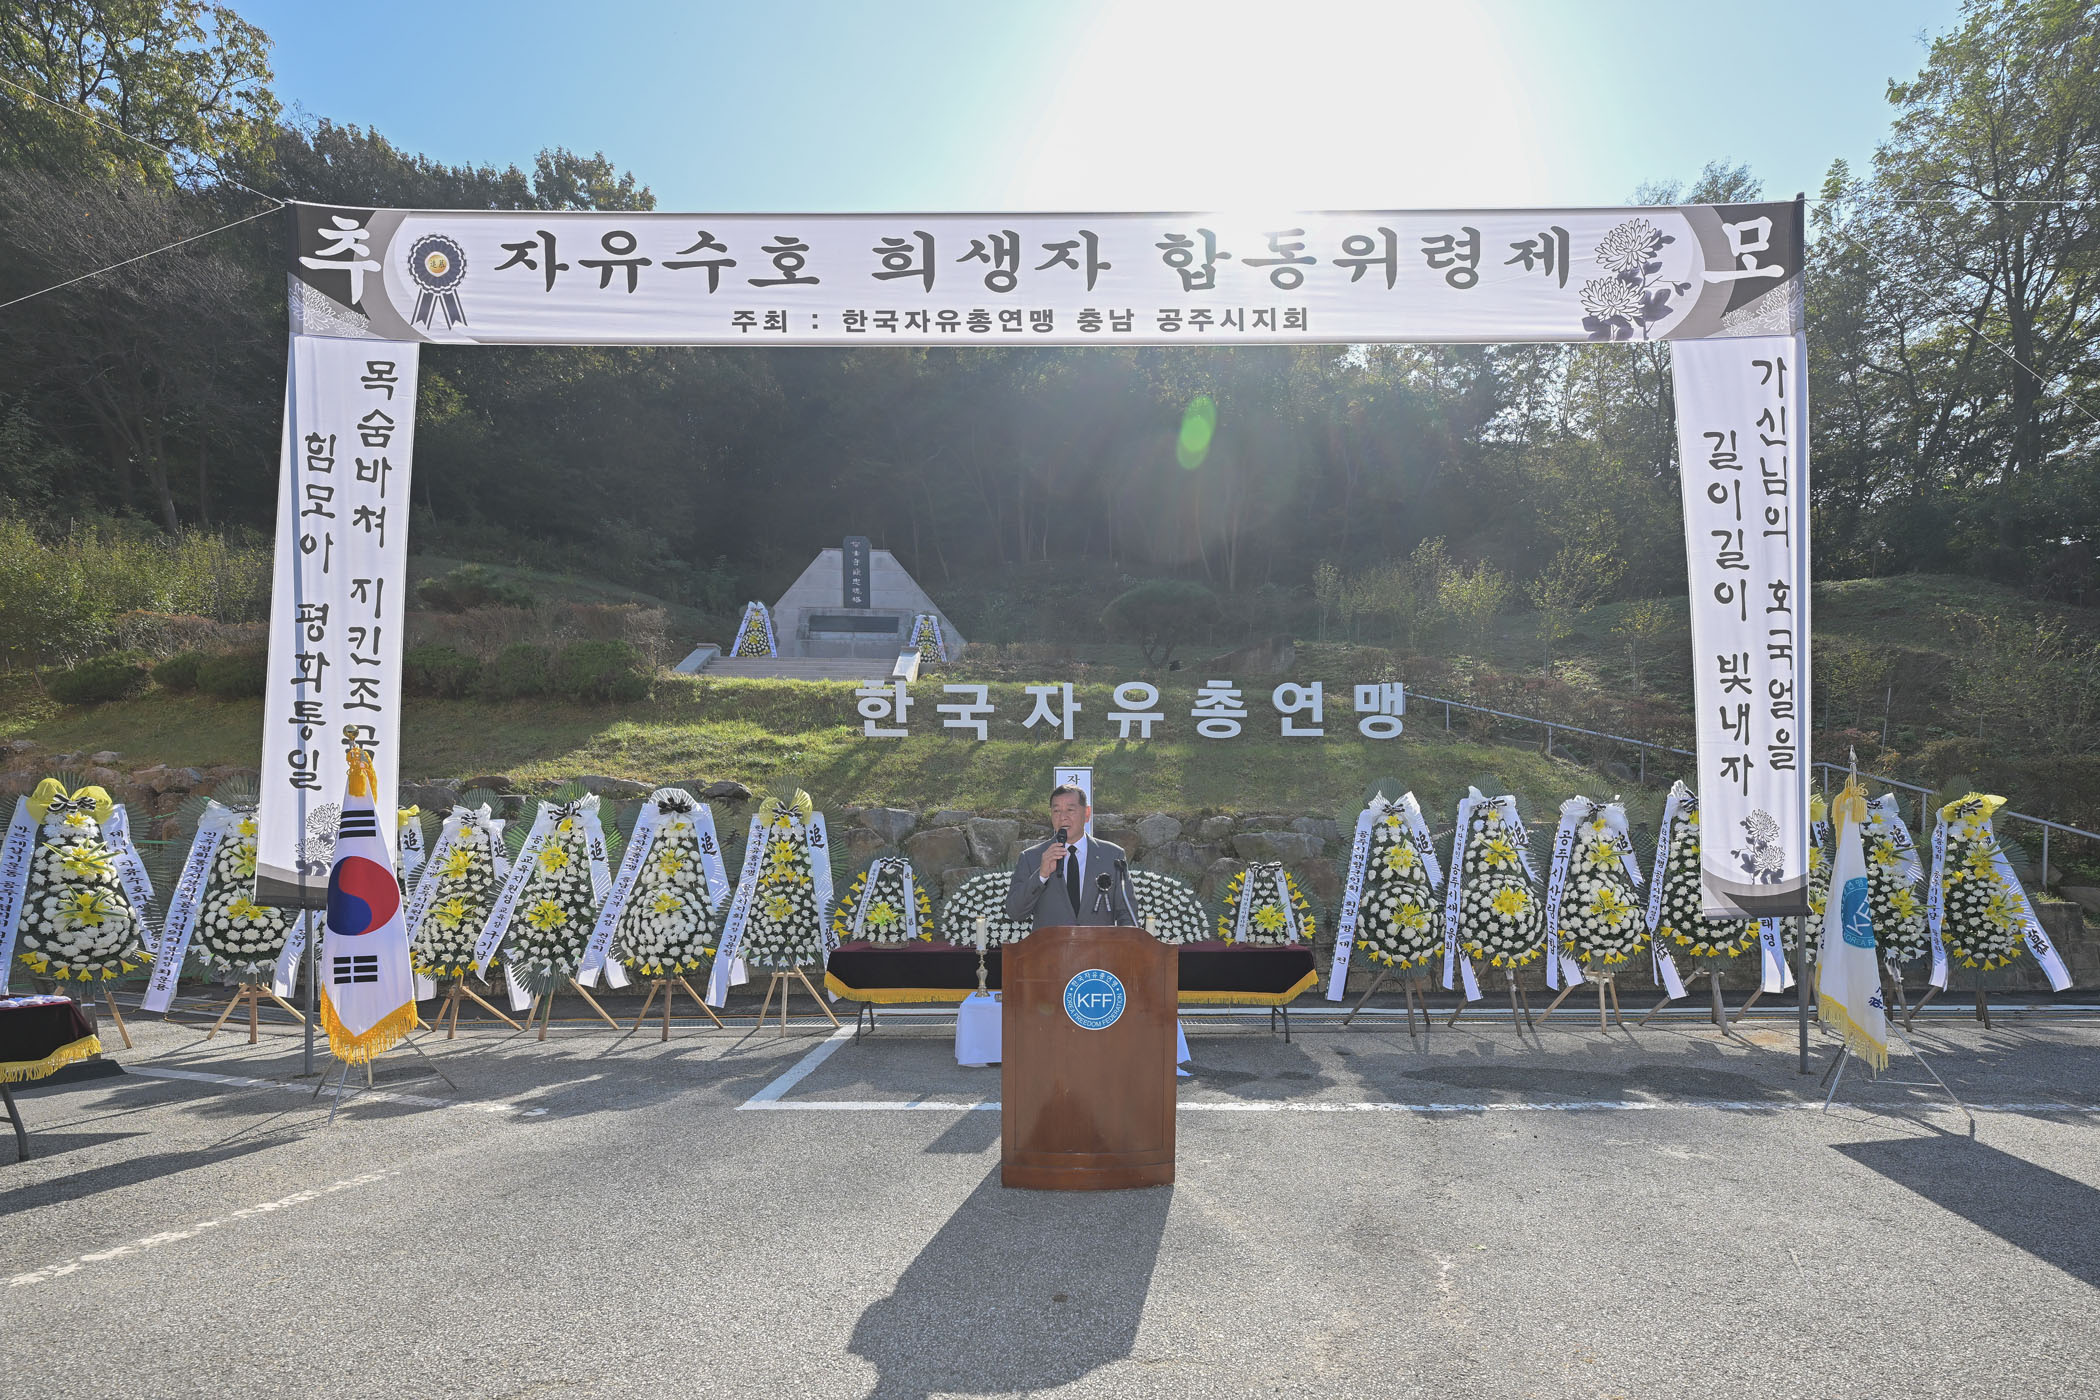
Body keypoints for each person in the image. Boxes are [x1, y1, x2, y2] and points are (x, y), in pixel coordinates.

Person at [1004, 782, 1139, 930]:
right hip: (1050, 945)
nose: (1063, 817)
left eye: (1070, 810)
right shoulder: (1032, 857)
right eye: (1056, 811)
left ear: (1086, 813)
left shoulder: (1112, 856)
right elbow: (1015, 912)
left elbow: (1127, 913)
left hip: (1098, 945)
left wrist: (1127, 941)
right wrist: (1041, 875)